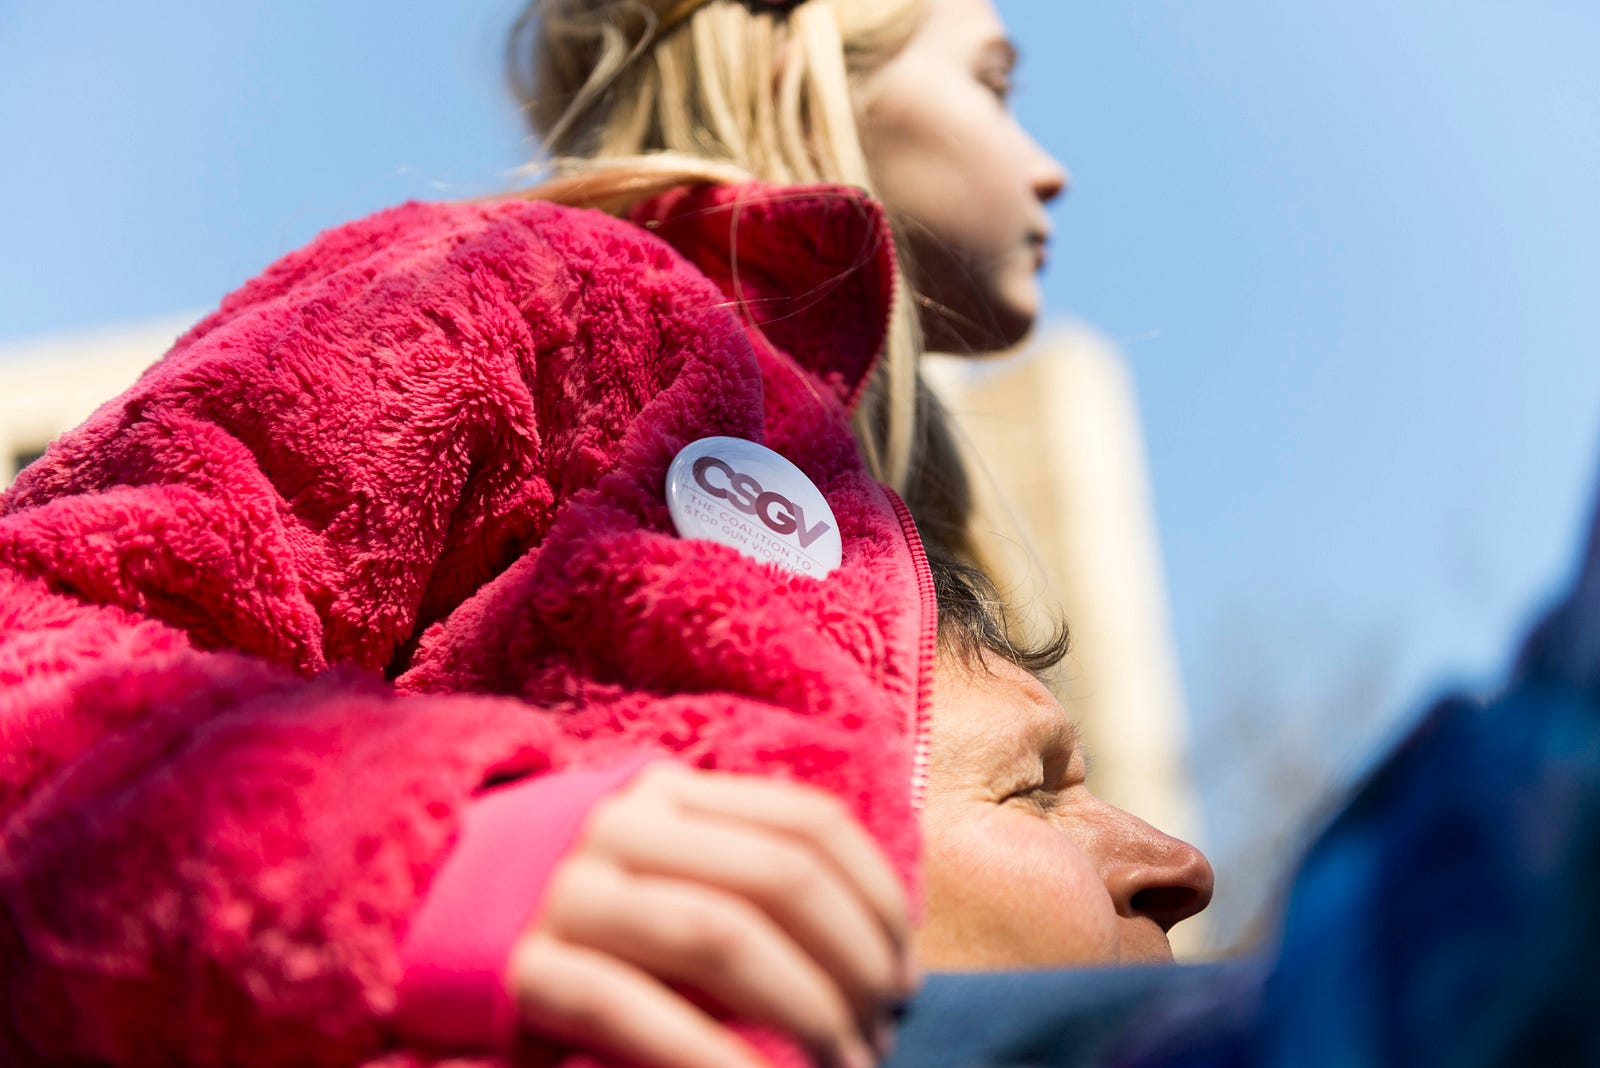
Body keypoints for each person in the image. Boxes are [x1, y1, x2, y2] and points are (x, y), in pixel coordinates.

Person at [0, 1, 1134, 1066]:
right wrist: (425, 859)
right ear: (795, 52)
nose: (1055, 168)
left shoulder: (880, 500)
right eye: (994, 85)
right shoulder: (542, 286)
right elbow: (42, 632)